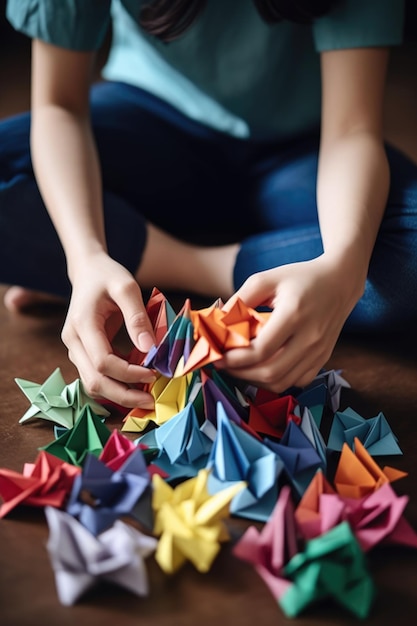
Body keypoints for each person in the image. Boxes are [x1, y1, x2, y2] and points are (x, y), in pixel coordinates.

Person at [1, 0, 416, 410]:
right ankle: (219, 263)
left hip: (306, 147)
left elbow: (351, 129)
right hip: (151, 124)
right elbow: (59, 107)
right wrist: (85, 257)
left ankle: (142, 254)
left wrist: (344, 268)